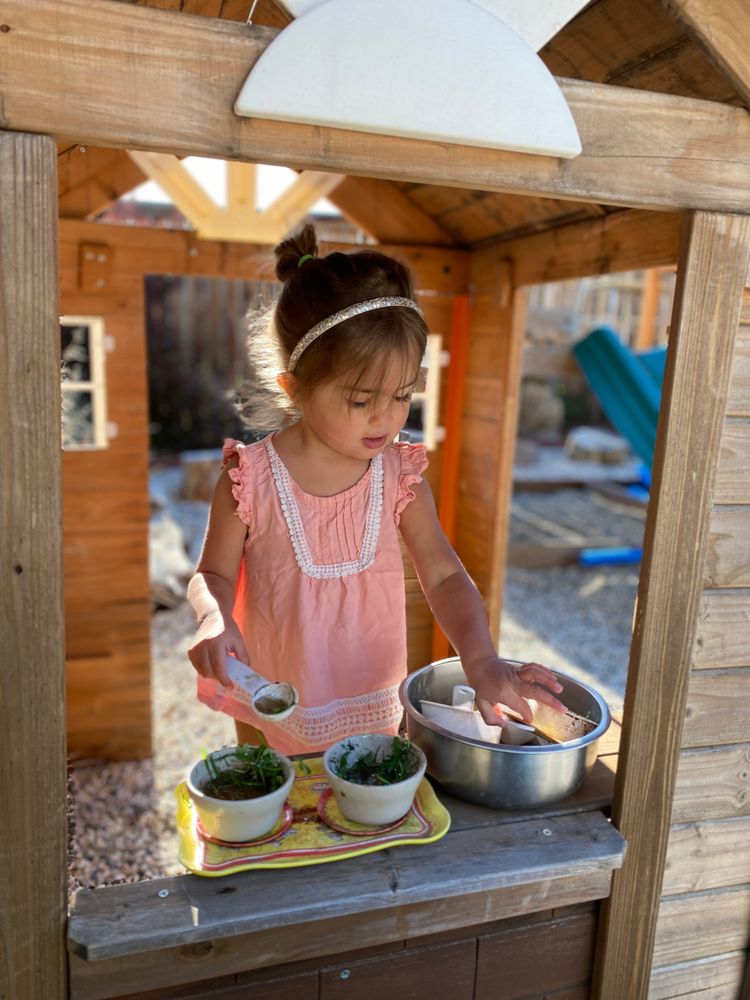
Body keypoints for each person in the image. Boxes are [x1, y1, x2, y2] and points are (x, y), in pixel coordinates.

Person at [187, 225, 566, 756]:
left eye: (402, 395)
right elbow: (213, 574)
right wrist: (213, 618)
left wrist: (480, 659)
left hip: (371, 703)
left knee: (367, 813)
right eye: (362, 399)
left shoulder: (398, 477)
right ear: (295, 387)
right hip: (269, 698)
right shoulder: (249, 478)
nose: (385, 417)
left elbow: (444, 574)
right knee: (281, 812)